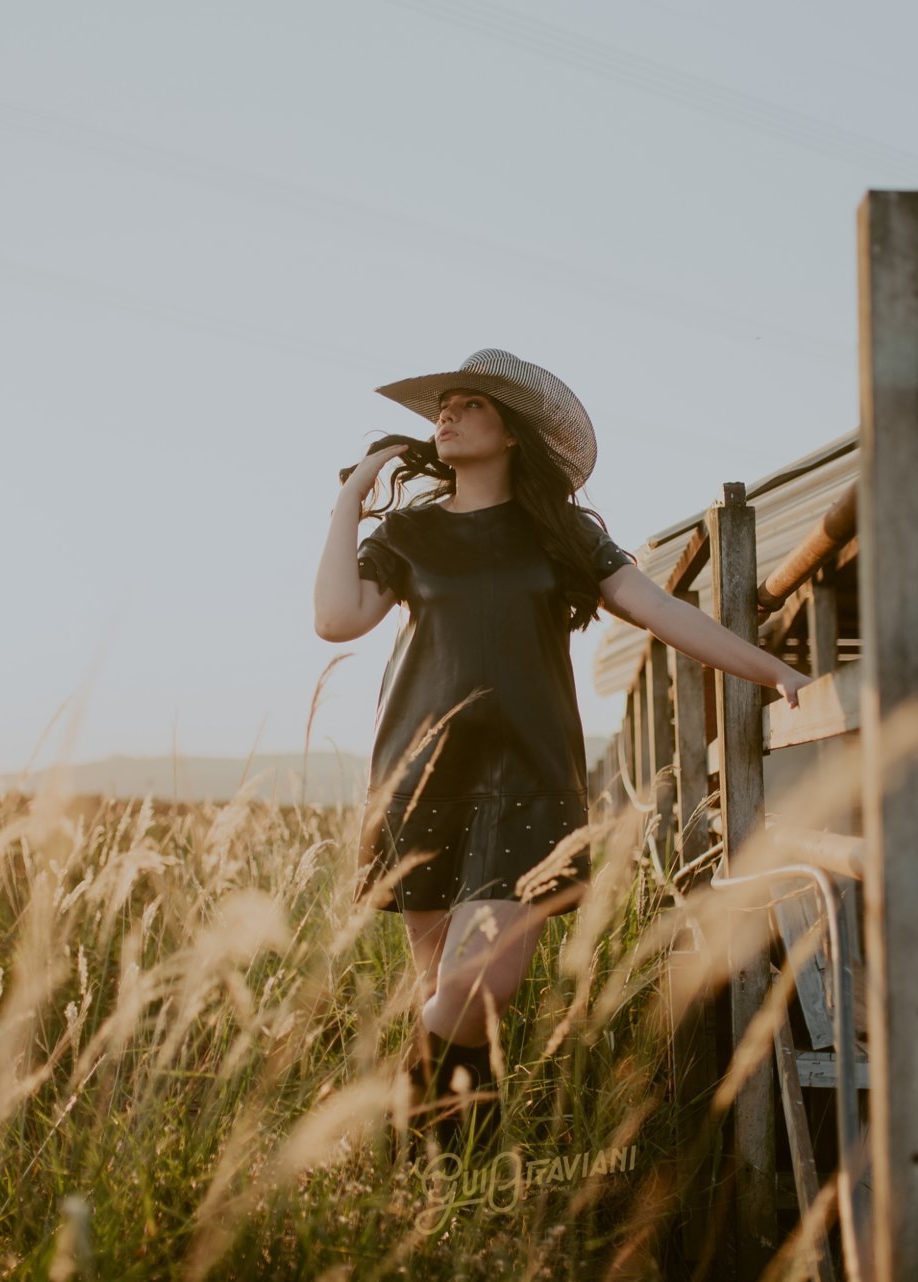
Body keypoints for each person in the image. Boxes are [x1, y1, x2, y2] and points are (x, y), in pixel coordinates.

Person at [313, 348, 812, 1151]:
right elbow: (336, 620)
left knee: (477, 989)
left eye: (468, 404)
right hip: (420, 776)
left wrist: (773, 669)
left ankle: (384, 1139)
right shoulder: (409, 532)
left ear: (511, 432)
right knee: (441, 993)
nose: (445, 414)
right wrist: (351, 497)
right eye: (442, 405)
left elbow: (661, 611)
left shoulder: (559, 532)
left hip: (529, 779)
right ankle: (453, 1193)